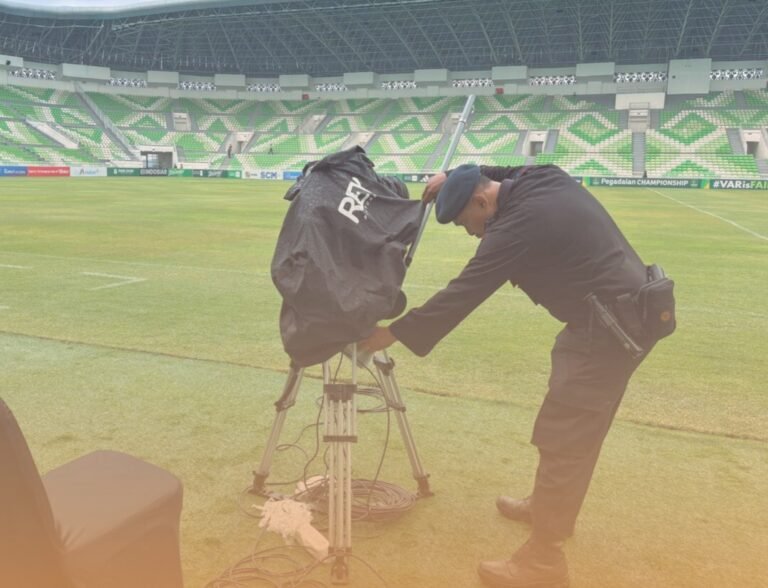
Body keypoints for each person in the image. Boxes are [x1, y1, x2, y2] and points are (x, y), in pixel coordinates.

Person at [360, 163, 670, 588]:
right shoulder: (540, 177)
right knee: (575, 428)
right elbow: (496, 168)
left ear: (484, 202)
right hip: (620, 315)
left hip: (612, 330)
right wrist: (451, 174)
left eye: (470, 224)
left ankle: (543, 562)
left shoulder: (518, 227)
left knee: (565, 437)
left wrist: (389, 334)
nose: (473, 234)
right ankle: (548, 509)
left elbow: (463, 292)